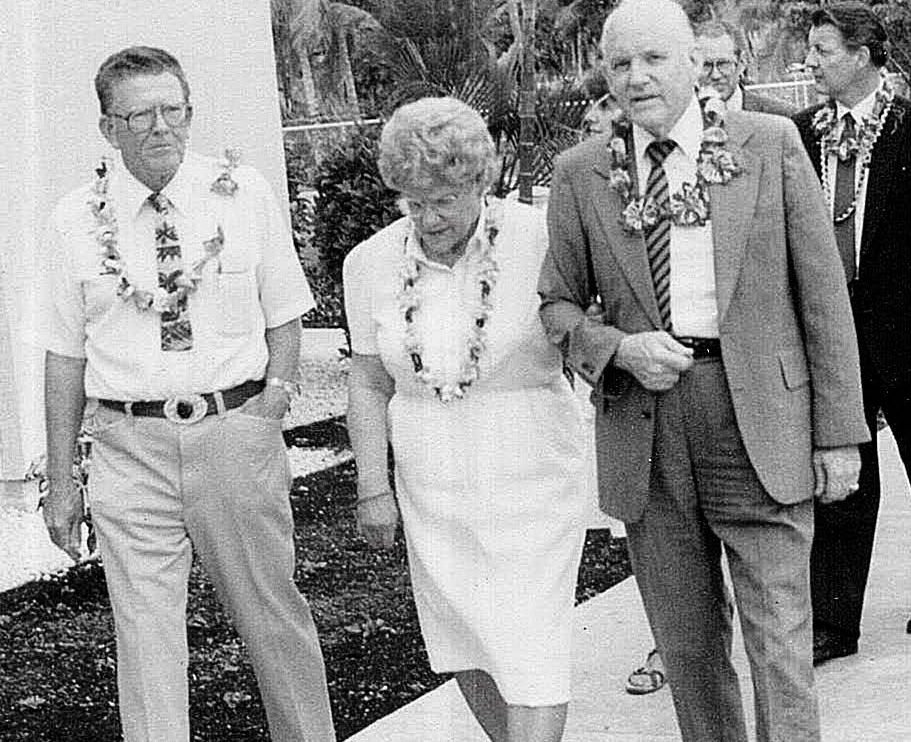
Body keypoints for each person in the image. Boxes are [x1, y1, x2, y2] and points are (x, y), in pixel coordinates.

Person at [539, 0, 867, 742]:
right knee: (686, 645)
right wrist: (617, 349)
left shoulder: (769, 141)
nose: (637, 77)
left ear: (695, 60)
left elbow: (821, 293)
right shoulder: (581, 172)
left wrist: (838, 433)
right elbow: (557, 306)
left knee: (780, 639)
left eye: (654, 57)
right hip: (648, 428)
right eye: (620, 62)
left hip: (758, 414)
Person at [41, 46, 335, 742]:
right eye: (138, 114)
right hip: (126, 444)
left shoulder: (243, 192)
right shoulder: (74, 219)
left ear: (191, 111)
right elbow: (62, 354)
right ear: (107, 128)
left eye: (173, 109)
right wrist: (60, 480)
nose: (159, 126)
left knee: (272, 614)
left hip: (233, 430)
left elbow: (285, 310)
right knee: (144, 637)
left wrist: (273, 404)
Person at [342, 97, 586, 742]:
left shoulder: (538, 237)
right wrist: (374, 487)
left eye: (444, 200)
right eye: (412, 202)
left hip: (532, 465)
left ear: (481, 180)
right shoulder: (369, 262)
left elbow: (584, 339)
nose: (428, 218)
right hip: (431, 473)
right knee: (464, 636)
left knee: (531, 639)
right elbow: (368, 381)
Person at [793, 3, 911, 661]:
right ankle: (834, 624)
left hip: (909, 331)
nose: (811, 61)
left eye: (822, 49)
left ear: (863, 54)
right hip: (830, 335)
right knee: (842, 476)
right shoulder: (801, 131)